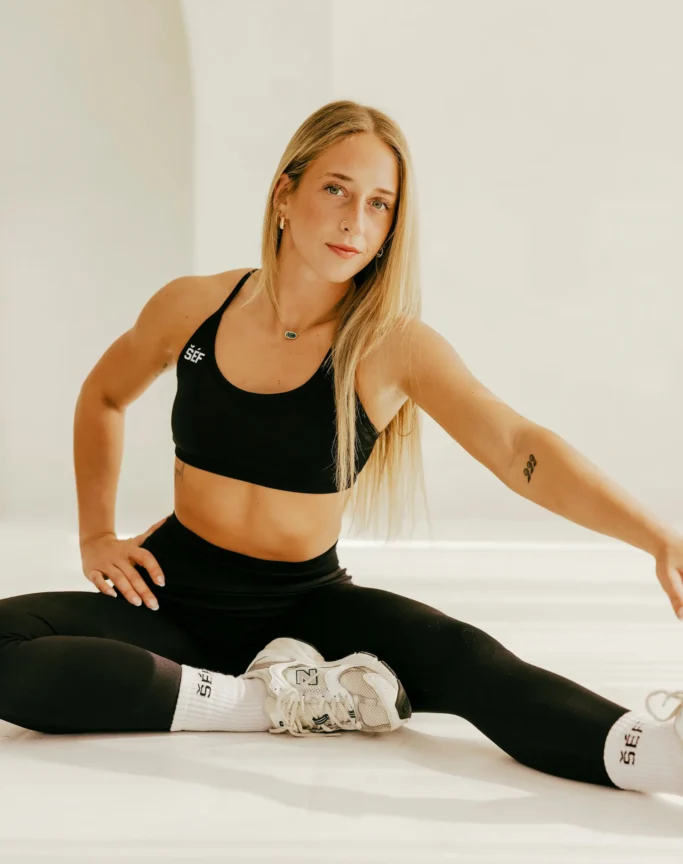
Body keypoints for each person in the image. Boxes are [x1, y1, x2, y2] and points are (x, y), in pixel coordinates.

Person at [1, 101, 682, 793]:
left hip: (307, 610)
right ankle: (262, 704)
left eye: (380, 204)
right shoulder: (193, 305)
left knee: (464, 656)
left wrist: (657, 538)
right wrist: (95, 535)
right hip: (173, 591)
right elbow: (104, 396)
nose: (356, 219)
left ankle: (658, 755)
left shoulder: (391, 346)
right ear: (284, 194)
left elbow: (517, 449)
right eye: (336, 189)